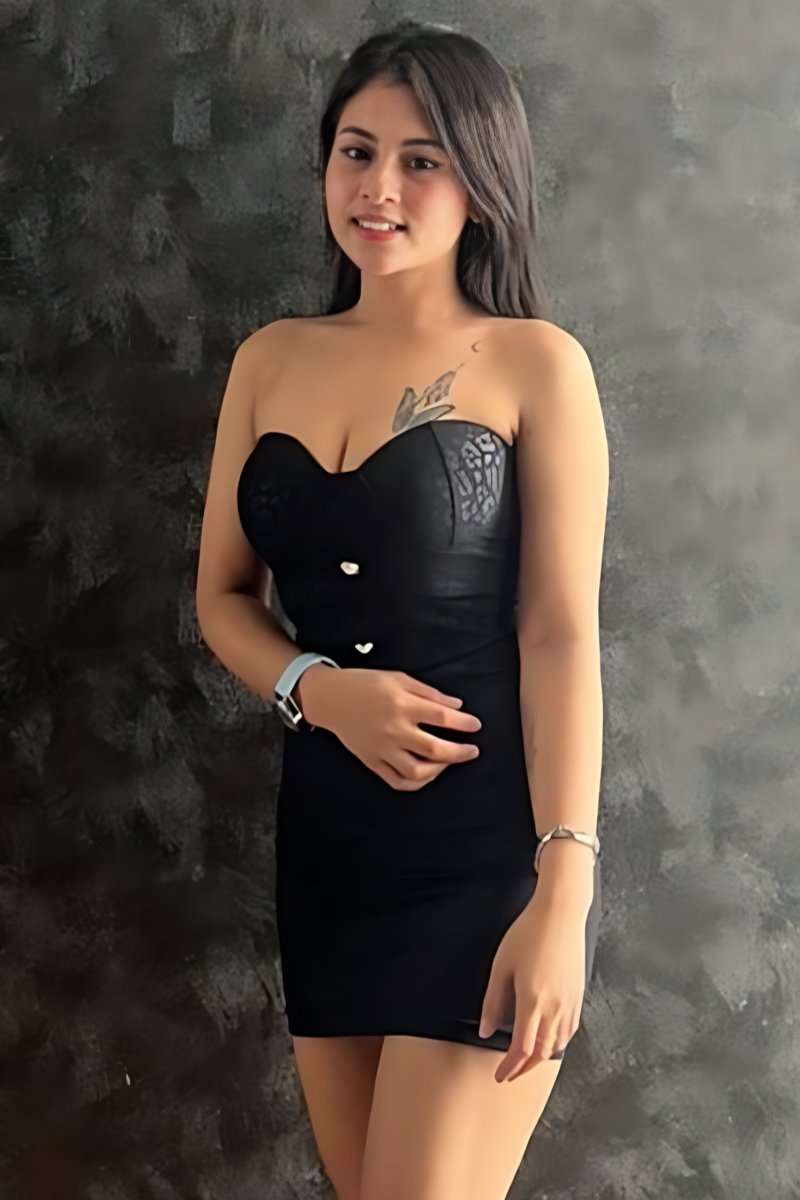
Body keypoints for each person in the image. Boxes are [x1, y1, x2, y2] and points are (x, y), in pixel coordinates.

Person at [195, 20, 609, 1200]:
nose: (377, 187)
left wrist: (562, 890)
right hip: (328, 845)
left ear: (480, 181)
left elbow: (558, 634)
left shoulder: (534, 363)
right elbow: (221, 598)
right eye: (356, 151)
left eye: (419, 160)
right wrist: (316, 690)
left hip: (488, 850)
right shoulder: (269, 359)